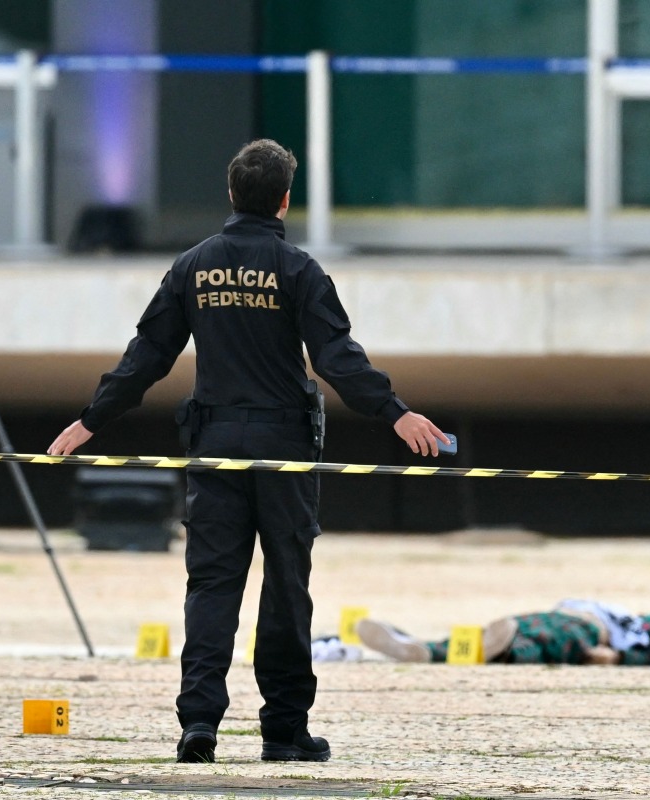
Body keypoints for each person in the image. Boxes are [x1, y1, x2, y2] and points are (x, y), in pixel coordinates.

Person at [47, 139, 450, 765]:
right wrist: (394, 414)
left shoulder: (193, 266)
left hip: (213, 449)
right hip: (284, 451)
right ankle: (283, 731)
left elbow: (146, 356)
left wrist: (89, 421)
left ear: (232, 194)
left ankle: (198, 727)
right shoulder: (299, 270)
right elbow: (337, 358)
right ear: (285, 200)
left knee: (211, 587)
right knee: (286, 588)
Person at [356, 600, 650, 666]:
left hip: (573, 626)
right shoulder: (648, 624)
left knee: (532, 640)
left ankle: (425, 648)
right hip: (569, 625)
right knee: (534, 644)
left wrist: (618, 658)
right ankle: (425, 648)